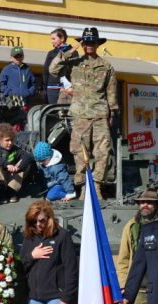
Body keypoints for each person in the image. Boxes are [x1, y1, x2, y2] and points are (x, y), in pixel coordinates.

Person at [50, 27, 118, 199]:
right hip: (80, 116)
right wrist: (70, 50)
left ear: (97, 44)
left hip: (100, 115)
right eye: (85, 41)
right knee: (80, 152)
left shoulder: (106, 66)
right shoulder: (74, 63)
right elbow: (53, 70)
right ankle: (82, 188)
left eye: (92, 42)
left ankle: (96, 187)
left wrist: (113, 113)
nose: (89, 45)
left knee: (102, 152)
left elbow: (111, 92)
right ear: (82, 43)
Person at [0, 122, 34, 202]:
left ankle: (12, 191)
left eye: (12, 140)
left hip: (12, 176)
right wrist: (7, 165)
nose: (10, 143)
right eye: (7, 140)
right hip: (1, 177)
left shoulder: (14, 149)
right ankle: (1, 191)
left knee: (26, 163)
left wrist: (18, 168)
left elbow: (28, 156)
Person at [43, 28, 77, 104]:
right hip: (52, 88)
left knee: (64, 113)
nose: (52, 41)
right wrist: (45, 87)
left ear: (62, 38)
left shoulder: (73, 52)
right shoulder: (51, 53)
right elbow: (46, 71)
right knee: (52, 112)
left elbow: (74, 71)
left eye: (54, 38)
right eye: (51, 39)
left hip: (67, 89)